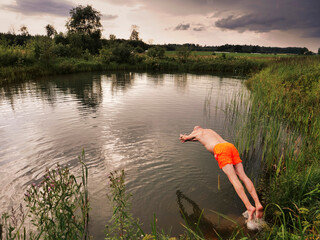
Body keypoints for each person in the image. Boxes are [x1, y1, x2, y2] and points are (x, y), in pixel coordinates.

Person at [180, 126, 263, 221]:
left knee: (234, 179)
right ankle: (257, 203)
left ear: (196, 130)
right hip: (230, 146)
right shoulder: (209, 131)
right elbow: (196, 139)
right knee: (243, 176)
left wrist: (183, 137)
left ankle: (249, 207)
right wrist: (189, 139)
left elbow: (187, 137)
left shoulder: (197, 132)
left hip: (221, 150)